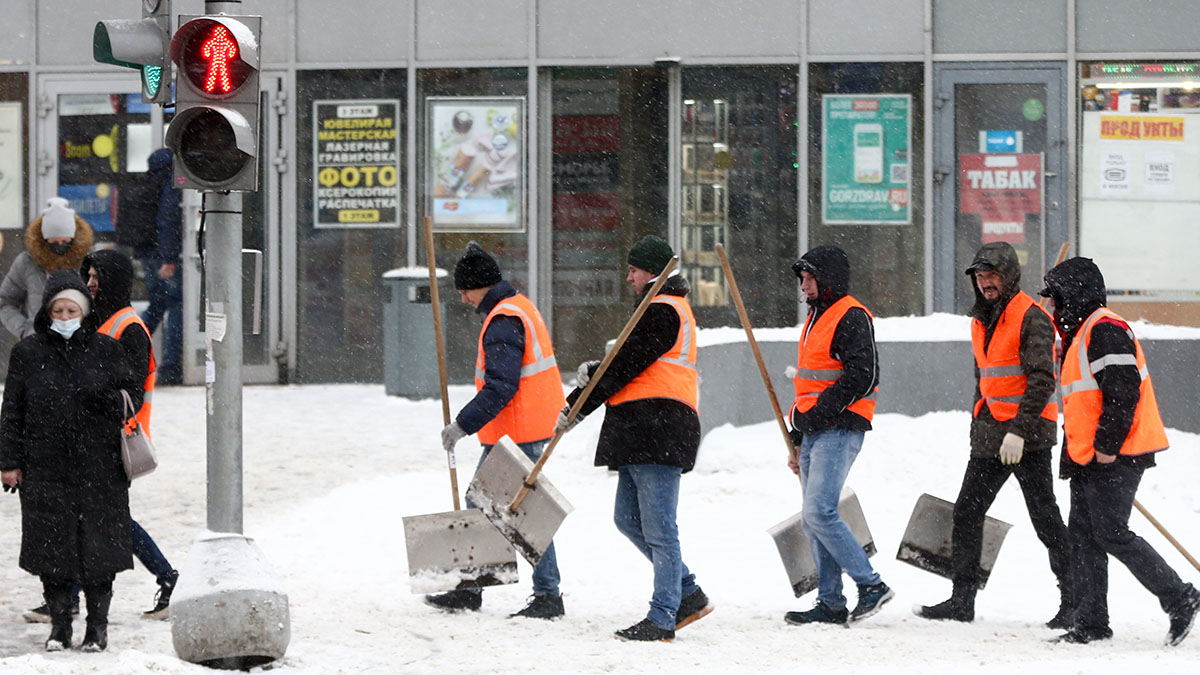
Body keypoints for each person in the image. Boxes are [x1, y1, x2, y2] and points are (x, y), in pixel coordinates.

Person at [558, 235, 712, 642]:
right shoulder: (654, 309)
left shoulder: (662, 309)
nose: (628, 278)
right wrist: (589, 381)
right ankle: (688, 592)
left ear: (652, 273)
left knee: (660, 529)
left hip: (659, 426)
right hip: (641, 428)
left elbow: (623, 366)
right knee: (627, 519)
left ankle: (663, 616)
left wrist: (576, 407)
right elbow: (623, 364)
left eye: (633, 270)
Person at [1040, 257, 1200, 646]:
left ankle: (1180, 597)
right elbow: (1084, 402)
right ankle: (1091, 622)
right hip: (1087, 455)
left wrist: (1108, 447)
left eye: (1057, 297)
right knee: (1083, 537)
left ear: (1074, 294)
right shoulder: (1080, 334)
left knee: (1110, 533)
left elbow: (1123, 392)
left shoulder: (1105, 329)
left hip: (1118, 452)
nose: (1053, 306)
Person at [915, 242, 1073, 626]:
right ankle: (961, 600)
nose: (986, 282)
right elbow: (985, 381)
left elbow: (1041, 380)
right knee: (967, 512)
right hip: (990, 435)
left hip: (1027, 436)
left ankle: (1075, 600)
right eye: (981, 276)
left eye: (992, 275)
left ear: (1009, 276)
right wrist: (980, 425)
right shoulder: (980, 320)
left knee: (1045, 518)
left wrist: (1019, 431)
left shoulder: (1031, 317)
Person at [1, 270, 142, 652]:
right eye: (58, 310)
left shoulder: (106, 349)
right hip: (45, 467)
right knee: (53, 550)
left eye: (71, 310)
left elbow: (133, 393)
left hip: (100, 467)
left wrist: (109, 401)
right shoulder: (27, 354)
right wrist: (9, 462)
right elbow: (11, 409)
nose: (64, 318)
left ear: (84, 311)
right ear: (47, 312)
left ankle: (98, 627)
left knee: (100, 551)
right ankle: (60, 627)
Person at [426, 242, 567, 619]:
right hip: (522, 427)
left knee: (514, 511)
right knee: (508, 508)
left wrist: (461, 425)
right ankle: (481, 589)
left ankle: (544, 595)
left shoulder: (504, 319)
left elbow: (501, 386)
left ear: (481, 285)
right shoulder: (515, 306)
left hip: (520, 430)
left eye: (465, 290)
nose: (463, 298)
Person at [783, 245, 892, 627]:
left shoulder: (850, 316)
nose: (805, 286)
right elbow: (810, 385)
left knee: (819, 511)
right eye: (803, 279)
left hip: (840, 427)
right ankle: (830, 603)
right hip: (816, 431)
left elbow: (863, 375)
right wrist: (799, 436)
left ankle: (872, 585)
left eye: (810, 279)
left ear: (828, 279)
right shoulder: (817, 318)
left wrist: (818, 414)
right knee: (814, 519)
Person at [83, 249, 180, 619]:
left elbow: (132, 392)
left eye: (96, 277)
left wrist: (93, 400)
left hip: (116, 438)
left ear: (113, 281)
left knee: (104, 518)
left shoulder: (128, 328)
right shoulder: (102, 319)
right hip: (98, 435)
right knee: (101, 517)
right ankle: (168, 579)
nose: (90, 283)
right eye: (88, 276)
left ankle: (169, 578)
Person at [0, 198, 94, 340]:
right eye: (54, 242)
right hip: (37, 345)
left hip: (80, 345)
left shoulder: (87, 263)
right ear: (43, 239)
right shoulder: (27, 262)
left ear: (74, 238)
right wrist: (25, 331)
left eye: (65, 241)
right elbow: (5, 302)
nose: (60, 245)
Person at [134, 148, 183, 385]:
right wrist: (170, 258)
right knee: (176, 305)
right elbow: (168, 219)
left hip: (148, 251)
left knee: (158, 304)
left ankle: (128, 348)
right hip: (162, 254)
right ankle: (172, 366)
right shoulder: (171, 182)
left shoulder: (149, 180)